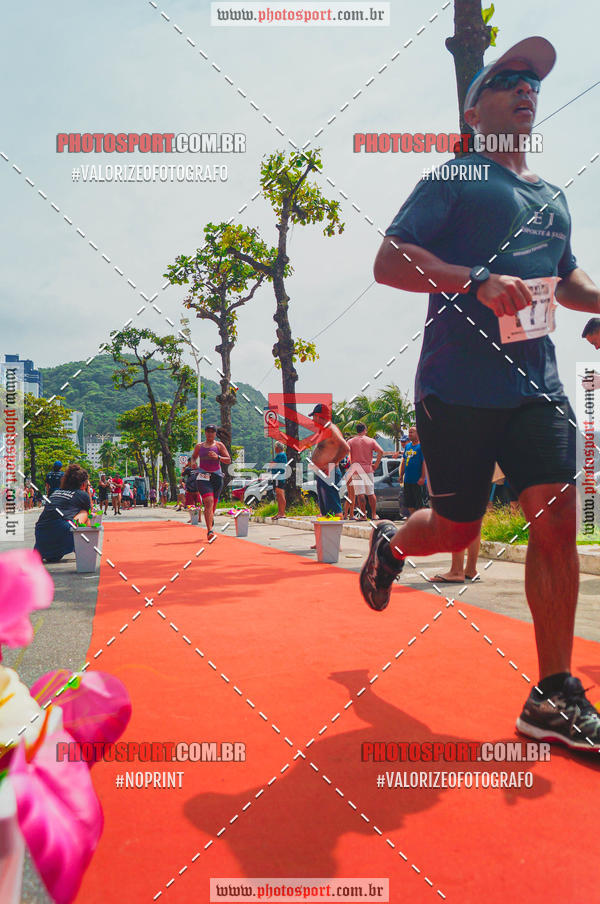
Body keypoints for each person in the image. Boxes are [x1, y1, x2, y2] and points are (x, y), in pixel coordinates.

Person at [359, 36, 600, 750]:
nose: (527, 87)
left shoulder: (551, 196)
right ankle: (392, 547)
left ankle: (551, 696)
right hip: (457, 388)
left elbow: (570, 278)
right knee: (457, 528)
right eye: (509, 78)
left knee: (556, 517)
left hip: (538, 385)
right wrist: (474, 280)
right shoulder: (454, 178)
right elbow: (389, 260)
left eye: (534, 81)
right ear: (475, 108)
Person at [299, 404, 349, 518]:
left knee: (335, 512)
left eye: (313, 416)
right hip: (323, 473)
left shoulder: (331, 429)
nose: (312, 420)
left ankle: (334, 533)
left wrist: (331, 464)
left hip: (329, 472)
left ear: (318, 416)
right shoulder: (324, 430)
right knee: (326, 512)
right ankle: (326, 532)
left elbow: (346, 448)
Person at [34, 464, 91, 563]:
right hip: (62, 529)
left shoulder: (55, 493)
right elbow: (90, 511)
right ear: (83, 483)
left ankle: (47, 551)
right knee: (85, 512)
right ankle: (84, 549)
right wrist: (88, 491)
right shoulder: (82, 494)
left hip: (41, 531)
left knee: (53, 557)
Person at [191, 425, 232, 539]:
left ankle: (210, 518)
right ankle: (210, 531)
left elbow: (228, 460)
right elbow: (193, 457)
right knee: (208, 502)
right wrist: (193, 463)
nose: (210, 434)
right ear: (205, 433)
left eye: (212, 432)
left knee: (212, 504)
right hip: (203, 477)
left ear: (215, 433)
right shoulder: (199, 446)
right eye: (208, 431)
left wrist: (218, 457)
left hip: (216, 477)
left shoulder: (219, 445)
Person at [346, 424, 383, 521]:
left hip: (356, 470)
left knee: (360, 494)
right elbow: (381, 451)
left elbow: (345, 451)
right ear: (365, 430)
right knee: (371, 493)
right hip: (368, 469)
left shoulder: (351, 441)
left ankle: (363, 516)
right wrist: (376, 464)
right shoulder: (371, 441)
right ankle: (374, 515)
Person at [399, 426, 426, 516]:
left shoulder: (421, 447)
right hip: (408, 480)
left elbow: (424, 463)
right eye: (409, 432)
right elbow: (404, 461)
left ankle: (422, 521)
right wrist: (401, 475)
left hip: (418, 480)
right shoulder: (407, 446)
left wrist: (422, 477)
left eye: (412, 432)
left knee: (420, 503)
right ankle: (413, 519)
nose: (409, 434)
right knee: (409, 503)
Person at [271, 442, 288, 520]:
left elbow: (273, 464)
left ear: (277, 448)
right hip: (278, 477)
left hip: (279, 477)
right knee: (279, 495)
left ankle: (282, 513)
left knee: (280, 495)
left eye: (275, 447)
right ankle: (280, 513)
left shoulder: (280, 455)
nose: (274, 449)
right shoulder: (281, 455)